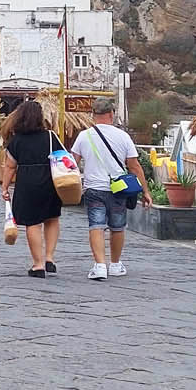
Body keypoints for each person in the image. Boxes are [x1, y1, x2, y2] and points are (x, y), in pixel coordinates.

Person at [72, 100, 140, 281]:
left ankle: (100, 266)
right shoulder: (123, 136)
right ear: (111, 114)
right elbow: (134, 166)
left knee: (96, 226)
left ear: (93, 114)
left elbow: (72, 164)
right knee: (117, 228)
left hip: (93, 188)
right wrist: (146, 191)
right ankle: (116, 265)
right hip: (118, 188)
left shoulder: (84, 136)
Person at [0, 100, 63, 278]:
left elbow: (10, 167)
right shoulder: (50, 137)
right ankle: (49, 258)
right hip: (51, 180)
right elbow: (63, 157)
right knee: (52, 219)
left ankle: (38, 264)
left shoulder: (16, 140)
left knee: (32, 223)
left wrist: (5, 188)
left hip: (27, 182)